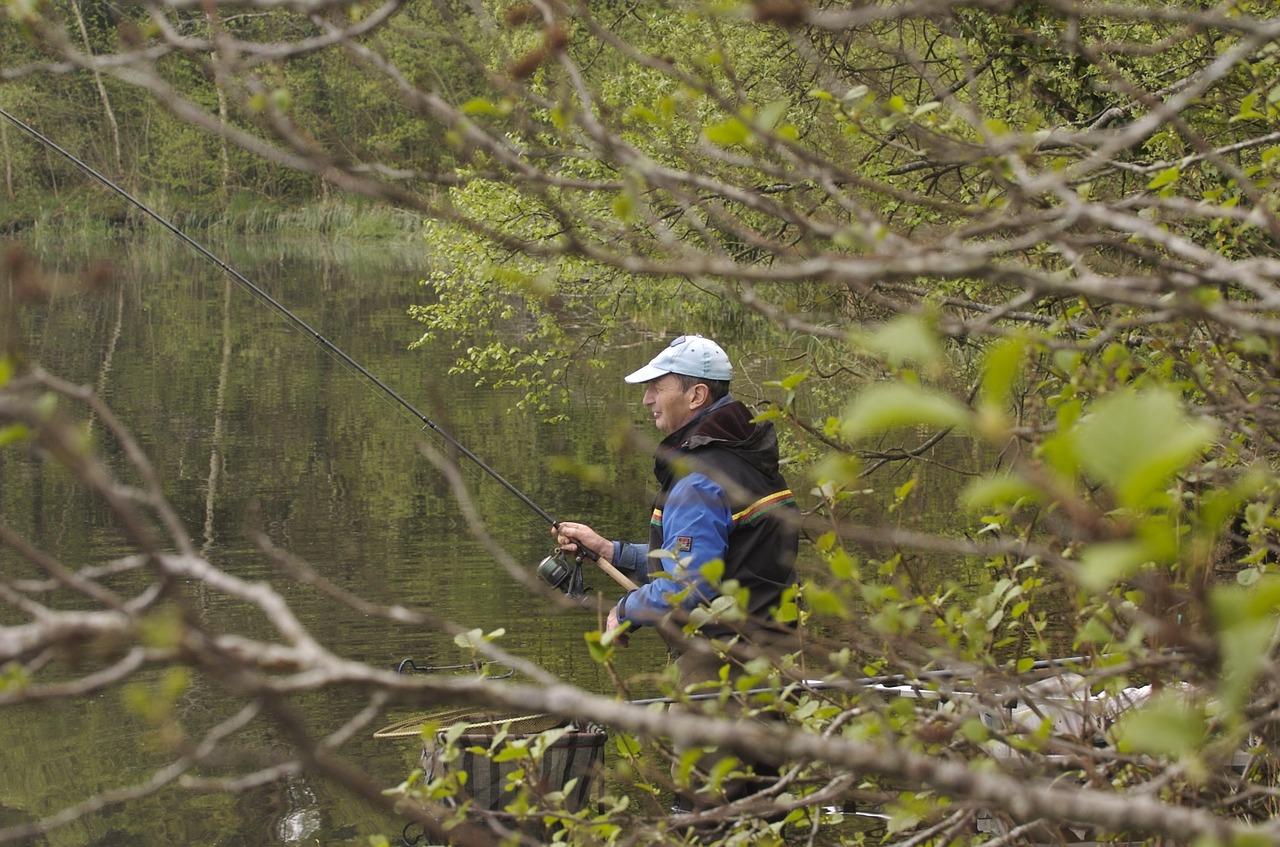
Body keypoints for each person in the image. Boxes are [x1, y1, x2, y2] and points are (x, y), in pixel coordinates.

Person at [554, 334, 799, 812]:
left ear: (696, 395)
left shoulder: (697, 476)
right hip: (772, 660)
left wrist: (625, 609)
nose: (646, 399)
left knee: (701, 812)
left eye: (656, 387)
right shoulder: (749, 459)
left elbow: (690, 585)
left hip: (716, 673)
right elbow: (725, 560)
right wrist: (609, 550)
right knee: (765, 809)